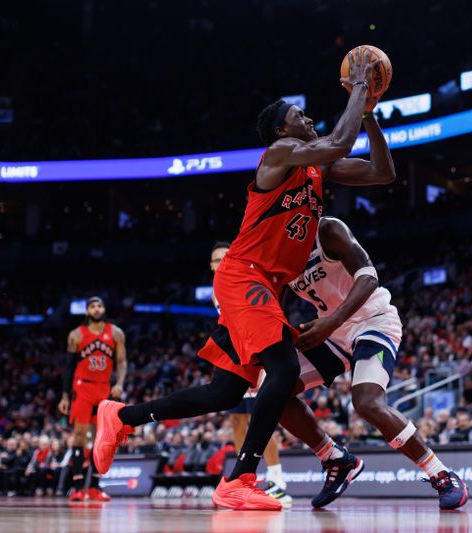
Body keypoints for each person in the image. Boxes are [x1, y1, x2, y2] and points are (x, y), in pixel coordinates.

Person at [96, 48, 395, 511]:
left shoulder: (318, 168)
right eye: (299, 114)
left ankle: (122, 417)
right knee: (284, 369)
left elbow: (382, 172)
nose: (308, 116)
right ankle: (242, 478)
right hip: (244, 277)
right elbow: (337, 141)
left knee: (227, 390)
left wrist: (370, 114)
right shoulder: (279, 154)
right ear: (282, 129)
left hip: (263, 287)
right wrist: (358, 87)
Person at [285, 216, 468, 508]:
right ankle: (336, 459)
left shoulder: (327, 229)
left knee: (367, 402)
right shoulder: (277, 252)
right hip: (331, 331)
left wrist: (331, 322)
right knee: (275, 389)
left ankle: (441, 474)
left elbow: (369, 277)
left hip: (373, 320)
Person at [209, 241, 290, 504]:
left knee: (261, 418)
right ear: (211, 266)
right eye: (217, 260)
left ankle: (277, 480)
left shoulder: (243, 280)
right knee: (236, 421)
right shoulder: (215, 290)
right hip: (235, 356)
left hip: (257, 352)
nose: (222, 263)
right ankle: (244, 477)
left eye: (226, 258)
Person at [57, 296, 127, 502]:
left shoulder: (116, 333)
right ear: (87, 311)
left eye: (99, 306)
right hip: (83, 387)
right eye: (92, 306)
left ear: (104, 309)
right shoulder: (76, 335)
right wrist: (64, 396)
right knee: (79, 436)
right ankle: (79, 487)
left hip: (104, 388)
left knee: (101, 438)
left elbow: (122, 362)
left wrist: (119, 383)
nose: (96, 309)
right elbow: (68, 367)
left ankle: (95, 487)